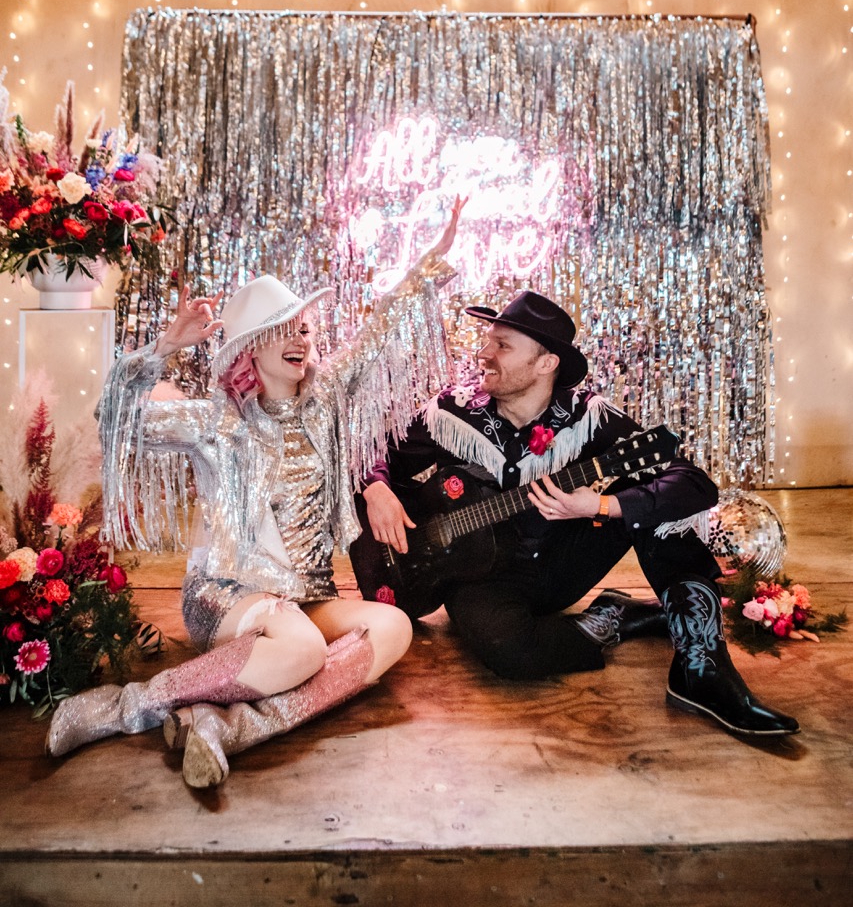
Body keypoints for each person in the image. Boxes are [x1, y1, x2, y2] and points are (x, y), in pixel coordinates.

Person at [46, 202, 462, 787]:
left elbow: (379, 331)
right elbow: (115, 419)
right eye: (283, 329)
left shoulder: (328, 400)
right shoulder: (219, 422)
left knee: (392, 627)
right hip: (230, 594)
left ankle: (228, 726)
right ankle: (125, 706)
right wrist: (165, 345)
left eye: (305, 327)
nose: (300, 337)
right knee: (301, 650)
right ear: (251, 349)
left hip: (309, 594)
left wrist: (427, 264)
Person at [350, 290, 799, 738]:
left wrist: (603, 505)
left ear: (546, 364)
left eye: (502, 345)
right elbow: (376, 456)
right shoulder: (453, 412)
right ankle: (612, 618)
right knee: (510, 656)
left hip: (560, 561)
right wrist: (376, 487)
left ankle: (701, 665)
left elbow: (693, 483)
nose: (483, 354)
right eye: (488, 341)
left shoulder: (590, 419)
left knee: (653, 503)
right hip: (479, 574)